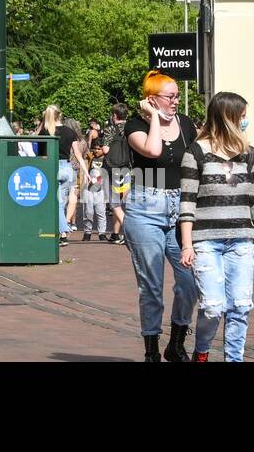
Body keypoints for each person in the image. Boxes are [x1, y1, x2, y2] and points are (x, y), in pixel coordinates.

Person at [177, 92, 254, 362]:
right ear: (228, 118)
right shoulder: (195, 153)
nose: (245, 121)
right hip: (205, 240)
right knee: (212, 307)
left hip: (242, 240)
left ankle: (234, 359)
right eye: (242, 117)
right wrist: (187, 245)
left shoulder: (248, 154)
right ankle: (202, 350)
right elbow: (187, 202)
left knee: (240, 307)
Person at [124, 70, 199, 362]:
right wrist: (154, 116)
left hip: (179, 209)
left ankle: (177, 341)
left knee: (190, 280)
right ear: (152, 99)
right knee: (151, 285)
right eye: (170, 96)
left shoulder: (186, 124)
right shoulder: (135, 125)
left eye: (178, 95)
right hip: (146, 208)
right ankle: (152, 350)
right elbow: (153, 150)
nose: (176, 101)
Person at [45, 106, 84, 245]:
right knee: (62, 201)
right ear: (60, 115)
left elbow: (38, 150)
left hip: (52, 167)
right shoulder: (70, 131)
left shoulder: (46, 131)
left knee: (57, 203)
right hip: (67, 168)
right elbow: (77, 153)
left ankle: (63, 232)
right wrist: (85, 170)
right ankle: (62, 231)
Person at [102, 103, 129, 243]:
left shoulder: (110, 129)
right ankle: (115, 234)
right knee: (121, 203)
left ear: (114, 115)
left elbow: (106, 150)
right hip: (126, 167)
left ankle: (129, 231)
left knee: (114, 203)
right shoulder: (131, 128)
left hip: (112, 168)